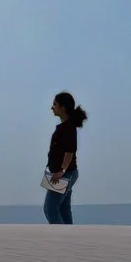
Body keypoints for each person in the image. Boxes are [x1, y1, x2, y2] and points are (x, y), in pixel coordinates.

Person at [42, 91, 86, 224]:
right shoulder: (65, 127)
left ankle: (60, 236)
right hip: (66, 173)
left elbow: (70, 151)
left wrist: (62, 170)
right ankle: (69, 237)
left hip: (65, 174)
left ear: (63, 107)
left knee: (50, 208)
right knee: (63, 208)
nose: (52, 107)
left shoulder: (68, 127)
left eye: (55, 104)